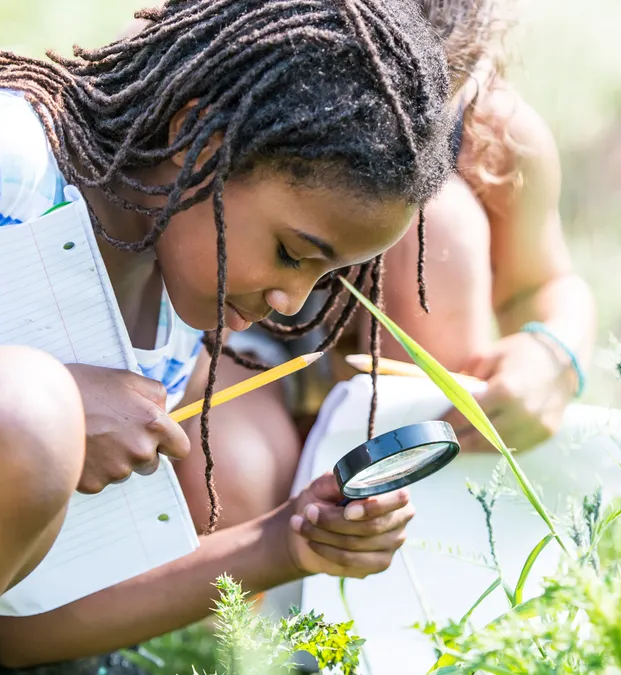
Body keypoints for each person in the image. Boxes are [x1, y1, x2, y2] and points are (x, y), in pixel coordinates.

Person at [0, 1, 456, 673]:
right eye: (293, 253)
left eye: (324, 277)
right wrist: (54, 405)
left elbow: (22, 628)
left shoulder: (171, 323)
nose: (288, 300)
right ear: (198, 139)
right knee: (21, 405)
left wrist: (285, 540)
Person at [172, 0, 597, 535]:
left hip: (388, 369)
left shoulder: (494, 132)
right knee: (229, 478)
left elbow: (544, 283)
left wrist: (552, 354)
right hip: (228, 343)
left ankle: (414, 528)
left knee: (439, 226)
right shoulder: (218, 57)